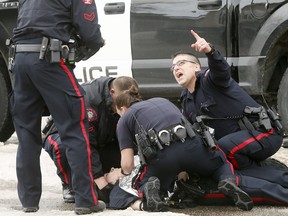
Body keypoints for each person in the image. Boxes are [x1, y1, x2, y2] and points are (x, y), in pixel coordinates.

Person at [10, 0, 105, 214]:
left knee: (26, 132)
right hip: (49, 60)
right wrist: (95, 44)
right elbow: (89, 32)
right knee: (75, 127)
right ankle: (86, 200)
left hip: (20, 60)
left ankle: (29, 201)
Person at [114, 82, 254, 211]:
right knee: (220, 164)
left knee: (144, 181)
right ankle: (226, 180)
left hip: (162, 158)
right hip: (193, 147)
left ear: (122, 109)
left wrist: (123, 174)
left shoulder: (124, 120)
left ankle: (150, 190)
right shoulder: (162, 100)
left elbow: (127, 165)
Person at [171, 30, 283, 170]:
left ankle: (268, 178)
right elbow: (192, 136)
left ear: (196, 67)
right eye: (173, 67)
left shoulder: (209, 80)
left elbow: (221, 70)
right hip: (239, 143)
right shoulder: (186, 100)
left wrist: (210, 51)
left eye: (181, 63)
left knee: (225, 150)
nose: (176, 68)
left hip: (266, 133)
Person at [42, 76, 139, 204]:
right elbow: (87, 143)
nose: (124, 106)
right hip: (67, 136)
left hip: (102, 139)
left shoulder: (123, 94)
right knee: (64, 148)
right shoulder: (91, 100)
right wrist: (100, 181)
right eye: (122, 103)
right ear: (112, 93)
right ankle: (69, 184)